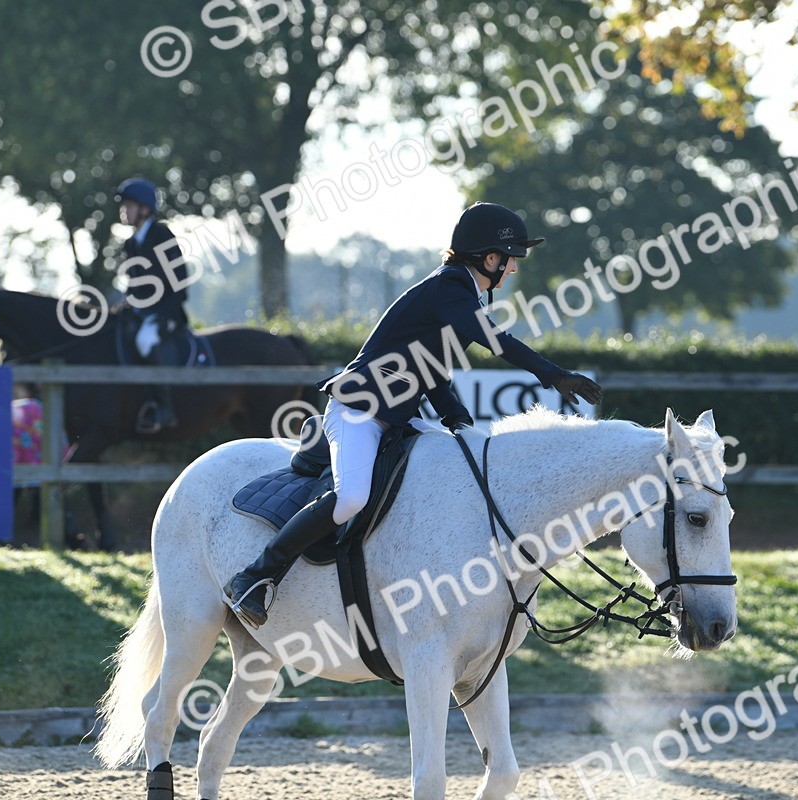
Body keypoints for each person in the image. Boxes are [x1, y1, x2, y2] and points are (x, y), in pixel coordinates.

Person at [224, 202, 602, 628]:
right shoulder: (450, 288)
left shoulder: (458, 292)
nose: (514, 268)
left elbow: (432, 370)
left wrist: (458, 420)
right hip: (359, 411)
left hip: (398, 417)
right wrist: (553, 375)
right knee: (352, 498)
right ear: (489, 258)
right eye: (511, 258)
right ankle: (255, 577)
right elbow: (495, 340)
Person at [115, 178, 189, 433]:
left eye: (129, 205)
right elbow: (135, 286)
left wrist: (163, 315)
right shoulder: (130, 243)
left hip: (166, 311)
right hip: (141, 312)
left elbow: (179, 283)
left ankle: (165, 408)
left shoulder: (162, 236)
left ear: (145, 209)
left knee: (146, 340)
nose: (124, 210)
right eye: (123, 205)